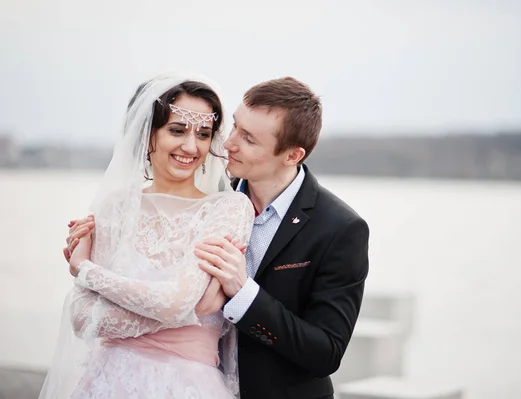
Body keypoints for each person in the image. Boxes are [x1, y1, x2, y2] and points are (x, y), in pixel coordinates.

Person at [66, 76, 370, 399]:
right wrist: (98, 263)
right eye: (235, 126)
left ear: (293, 155)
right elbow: (90, 312)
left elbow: (326, 352)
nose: (227, 144)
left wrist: (245, 296)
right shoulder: (215, 195)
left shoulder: (339, 228)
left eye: (248, 139)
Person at [42, 73, 254, 399]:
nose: (191, 146)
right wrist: (185, 312)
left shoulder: (228, 208)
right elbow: (83, 319)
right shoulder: (116, 208)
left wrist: (85, 269)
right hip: (105, 382)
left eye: (203, 134)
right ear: (148, 132)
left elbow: (175, 302)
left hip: (188, 387)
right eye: (177, 130)